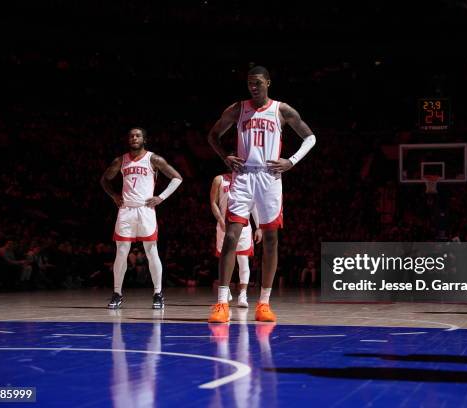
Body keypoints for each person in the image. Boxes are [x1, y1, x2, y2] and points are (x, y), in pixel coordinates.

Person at [207, 66, 316, 323]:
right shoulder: (237, 108)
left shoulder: (281, 109)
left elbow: (310, 137)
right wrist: (225, 156)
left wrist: (291, 161)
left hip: (269, 177)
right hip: (243, 175)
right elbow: (213, 135)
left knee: (270, 239)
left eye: (257, 82)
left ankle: (264, 303)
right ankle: (222, 301)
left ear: (268, 82)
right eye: (249, 83)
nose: (253, 86)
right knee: (231, 235)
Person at [100, 128, 183, 309]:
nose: (134, 138)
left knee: (151, 251)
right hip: (126, 210)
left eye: (138, 135)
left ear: (144, 139)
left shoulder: (154, 159)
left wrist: (161, 197)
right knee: (121, 252)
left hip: (145, 210)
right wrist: (114, 195)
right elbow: (104, 180)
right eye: (131, 136)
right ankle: (117, 293)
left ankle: (158, 293)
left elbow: (177, 178)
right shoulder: (120, 160)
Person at [210, 173, 262, 308]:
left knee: (243, 259)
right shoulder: (219, 179)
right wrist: (220, 220)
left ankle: (243, 294)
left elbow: (254, 204)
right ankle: (225, 289)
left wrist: (258, 227)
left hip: (243, 224)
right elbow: (213, 202)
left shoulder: (249, 179)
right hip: (224, 224)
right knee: (224, 258)